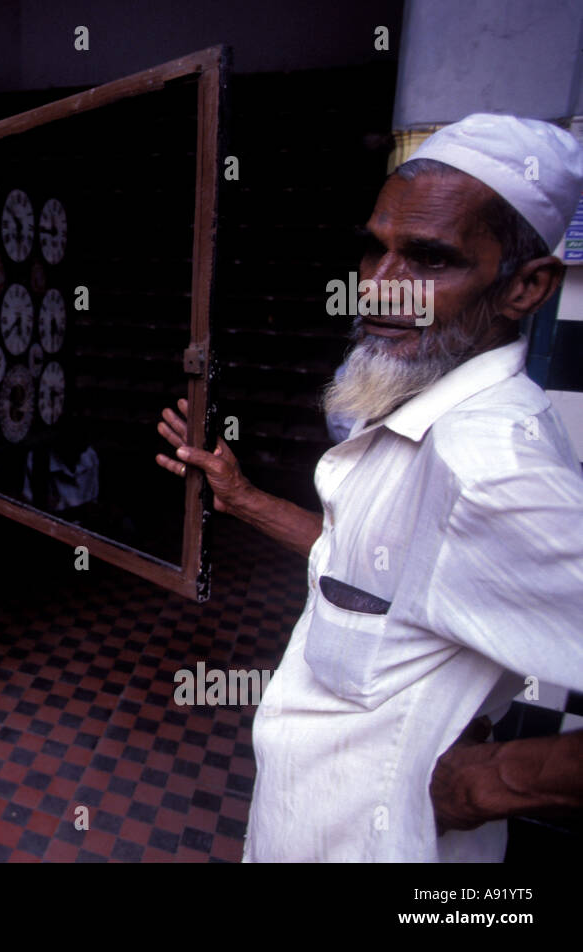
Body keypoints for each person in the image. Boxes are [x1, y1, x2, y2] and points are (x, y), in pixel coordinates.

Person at [156, 113, 583, 861]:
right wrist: (243, 496)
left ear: (526, 288)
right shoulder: (418, 413)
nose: (379, 288)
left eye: (428, 259)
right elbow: (377, 572)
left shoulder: (491, 466)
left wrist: (485, 783)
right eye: (374, 249)